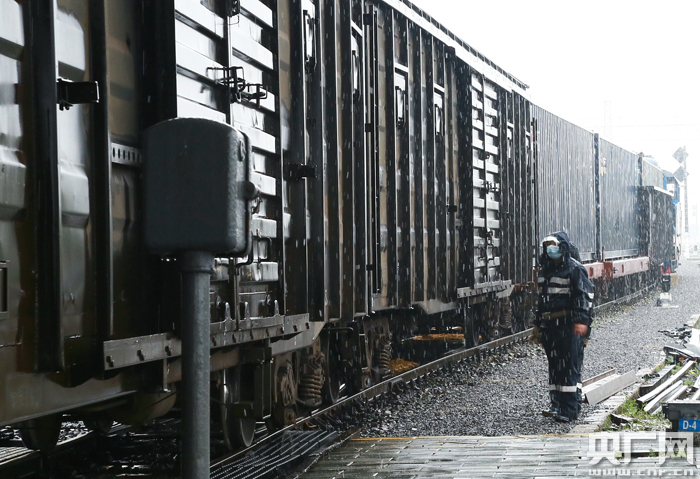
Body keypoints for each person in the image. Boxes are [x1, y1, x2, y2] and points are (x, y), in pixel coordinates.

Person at [531, 232, 594, 423]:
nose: (550, 249)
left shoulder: (575, 269)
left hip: (568, 326)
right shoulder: (546, 271)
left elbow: (584, 297)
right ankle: (557, 403)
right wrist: (538, 324)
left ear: (563, 247)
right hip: (551, 327)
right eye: (547, 246)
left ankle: (569, 409)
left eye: (554, 245)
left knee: (569, 368)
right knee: (555, 366)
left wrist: (581, 321)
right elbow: (542, 301)